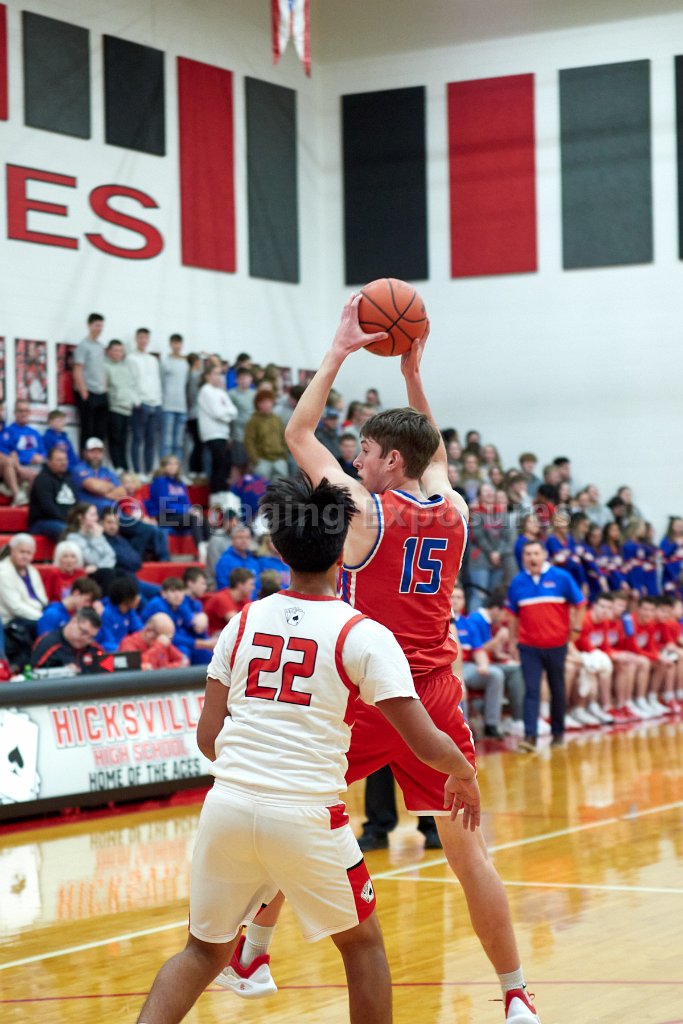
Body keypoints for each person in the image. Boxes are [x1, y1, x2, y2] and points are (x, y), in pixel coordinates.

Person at [243, 296, 541, 1023]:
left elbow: (296, 432)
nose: (356, 460)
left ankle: (253, 952)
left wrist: (339, 350)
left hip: (369, 694)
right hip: (435, 693)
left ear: (390, 460)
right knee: (470, 856)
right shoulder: (455, 510)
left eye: (367, 452)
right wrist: (412, 371)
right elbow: (434, 454)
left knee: (294, 813)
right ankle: (515, 995)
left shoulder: (361, 512)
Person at [136, 474, 479, 1024]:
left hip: (226, 807)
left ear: (278, 550)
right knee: (362, 946)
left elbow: (207, 738)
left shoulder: (242, 621)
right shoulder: (364, 633)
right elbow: (425, 742)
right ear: (344, 553)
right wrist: (463, 771)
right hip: (306, 813)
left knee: (200, 952)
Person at [506, 540, 586, 751]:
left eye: (536, 553)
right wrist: (513, 641)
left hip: (557, 644)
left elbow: (580, 603)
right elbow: (512, 615)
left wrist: (576, 629)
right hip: (528, 646)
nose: (532, 558)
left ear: (544, 555)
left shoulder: (562, 577)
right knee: (531, 690)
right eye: (528, 554)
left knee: (557, 689)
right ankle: (530, 736)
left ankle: (558, 733)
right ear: (523, 558)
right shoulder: (517, 582)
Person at [72, 438, 169, 560]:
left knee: (151, 530)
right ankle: (132, 560)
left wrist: (102, 490)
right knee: (148, 529)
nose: (96, 455)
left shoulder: (107, 471)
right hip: (96, 515)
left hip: (117, 514)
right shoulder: (79, 469)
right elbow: (93, 486)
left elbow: (122, 492)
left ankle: (137, 559)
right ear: (85, 453)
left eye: (99, 452)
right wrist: (107, 488)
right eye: (92, 452)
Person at [0, 534, 48, 667]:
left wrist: (44, 613)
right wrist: (42, 617)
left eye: (29, 553)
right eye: (22, 552)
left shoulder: (32, 570)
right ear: (12, 550)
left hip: (34, 613)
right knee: (45, 623)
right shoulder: (3, 571)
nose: (25, 556)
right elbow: (15, 607)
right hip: (12, 619)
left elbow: (43, 599)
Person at [198, 362, 237, 504]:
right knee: (218, 464)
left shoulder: (221, 392)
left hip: (223, 433)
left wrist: (226, 414)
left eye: (220, 374)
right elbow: (218, 413)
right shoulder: (205, 391)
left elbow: (234, 411)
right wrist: (227, 414)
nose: (218, 377)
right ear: (207, 376)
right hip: (212, 433)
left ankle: (223, 492)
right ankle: (215, 495)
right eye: (215, 373)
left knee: (226, 464)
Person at [128, 327, 162, 476]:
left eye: (146, 338)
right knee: (137, 438)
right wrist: (136, 401)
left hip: (155, 403)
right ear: (136, 339)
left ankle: (148, 471)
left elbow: (157, 381)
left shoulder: (153, 360)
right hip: (140, 403)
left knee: (151, 440)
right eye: (140, 337)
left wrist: (159, 401)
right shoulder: (131, 358)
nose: (143, 340)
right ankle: (137, 471)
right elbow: (129, 382)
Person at [72, 313, 108, 451]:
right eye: (97, 325)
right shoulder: (83, 346)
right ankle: (85, 458)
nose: (99, 328)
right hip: (88, 392)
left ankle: (97, 458)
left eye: (101, 326)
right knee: (87, 430)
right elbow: (78, 369)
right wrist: (83, 391)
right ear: (89, 326)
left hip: (101, 392)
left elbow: (102, 369)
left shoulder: (100, 346)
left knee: (100, 430)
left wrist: (105, 387)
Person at [0, 398, 46, 504]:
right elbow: (8, 453)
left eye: (26, 411)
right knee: (33, 475)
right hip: (19, 466)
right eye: (20, 411)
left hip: (37, 466)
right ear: (15, 413)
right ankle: (24, 501)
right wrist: (28, 459)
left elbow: (44, 452)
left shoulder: (34, 432)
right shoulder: (8, 431)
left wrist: (41, 457)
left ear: (29, 413)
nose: (23, 414)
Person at [31, 606, 103, 672]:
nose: (86, 639)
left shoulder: (93, 648)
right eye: (83, 632)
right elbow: (33, 674)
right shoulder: (48, 644)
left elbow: (108, 671)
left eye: (91, 637)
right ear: (73, 621)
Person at [27, 447, 78, 540]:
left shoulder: (69, 479)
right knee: (67, 531)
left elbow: (77, 502)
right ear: (49, 462)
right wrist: (68, 521)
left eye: (65, 459)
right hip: (43, 522)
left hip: (65, 521)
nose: (63, 463)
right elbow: (48, 508)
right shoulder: (42, 480)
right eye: (59, 460)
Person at [104, 339, 136, 471]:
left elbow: (130, 387)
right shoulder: (105, 366)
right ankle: (117, 466)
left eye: (120, 350)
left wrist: (134, 401)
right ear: (109, 351)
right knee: (115, 439)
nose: (118, 353)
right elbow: (105, 387)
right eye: (115, 350)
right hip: (114, 407)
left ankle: (125, 467)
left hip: (127, 408)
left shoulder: (126, 368)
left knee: (124, 440)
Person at [244, 388, 289, 479]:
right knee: (262, 486)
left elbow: (283, 437)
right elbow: (249, 442)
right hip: (262, 461)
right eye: (263, 402)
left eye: (268, 401)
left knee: (281, 486)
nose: (266, 404)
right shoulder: (253, 421)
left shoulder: (277, 419)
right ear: (258, 404)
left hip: (279, 460)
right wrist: (256, 460)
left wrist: (284, 455)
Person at [36, 575, 102, 636]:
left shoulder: (76, 615)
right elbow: (44, 640)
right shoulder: (52, 614)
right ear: (76, 593)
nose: (88, 605)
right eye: (87, 600)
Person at [121, 612, 189, 670]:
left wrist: (165, 669)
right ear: (148, 631)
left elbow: (183, 660)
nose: (166, 641)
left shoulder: (164, 642)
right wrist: (158, 646)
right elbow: (136, 667)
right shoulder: (128, 643)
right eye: (162, 637)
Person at [203, 567, 255, 633]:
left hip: (224, 634)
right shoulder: (222, 598)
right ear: (240, 585)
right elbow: (236, 623)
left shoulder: (244, 598)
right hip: (211, 635)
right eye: (251, 584)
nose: (253, 588)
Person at [97, 576, 143, 651]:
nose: (139, 598)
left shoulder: (130, 611)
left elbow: (140, 631)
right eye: (135, 596)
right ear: (126, 599)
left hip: (123, 648)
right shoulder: (106, 614)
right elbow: (107, 641)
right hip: (108, 651)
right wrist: (125, 650)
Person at [214, 524, 261, 591]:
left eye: (247, 538)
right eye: (240, 537)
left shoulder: (254, 561)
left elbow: (258, 585)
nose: (244, 541)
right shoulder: (224, 561)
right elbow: (223, 587)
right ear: (232, 540)